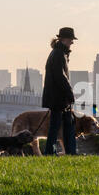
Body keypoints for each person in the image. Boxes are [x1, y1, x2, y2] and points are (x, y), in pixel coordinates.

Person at [42, 27, 78, 155]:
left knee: (62, 126)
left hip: (57, 97)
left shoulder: (59, 53)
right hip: (58, 98)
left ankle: (63, 152)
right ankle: (53, 152)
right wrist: (70, 93)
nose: (72, 42)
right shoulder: (58, 54)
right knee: (59, 126)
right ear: (63, 39)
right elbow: (60, 76)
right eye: (70, 40)